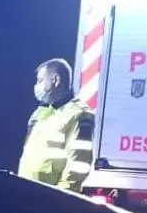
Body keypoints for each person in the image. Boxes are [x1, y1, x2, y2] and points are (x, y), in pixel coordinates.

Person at [19, 57, 94, 191]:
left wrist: (62, 196)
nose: (36, 86)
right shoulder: (41, 112)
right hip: (27, 190)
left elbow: (79, 164)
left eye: (40, 80)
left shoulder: (79, 114)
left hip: (50, 196)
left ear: (55, 80)